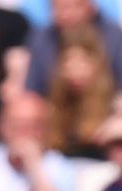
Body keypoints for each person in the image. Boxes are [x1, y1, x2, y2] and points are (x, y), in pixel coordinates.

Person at [24, 0, 122, 100]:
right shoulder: (42, 39)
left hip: (106, 110)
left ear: (90, 6)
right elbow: (32, 90)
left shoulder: (115, 37)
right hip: (55, 114)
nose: (65, 15)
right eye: (58, 8)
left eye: (70, 7)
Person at [44, 25, 114, 159]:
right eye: (67, 61)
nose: (73, 69)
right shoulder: (53, 108)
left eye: (81, 61)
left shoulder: (113, 108)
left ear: (97, 63)